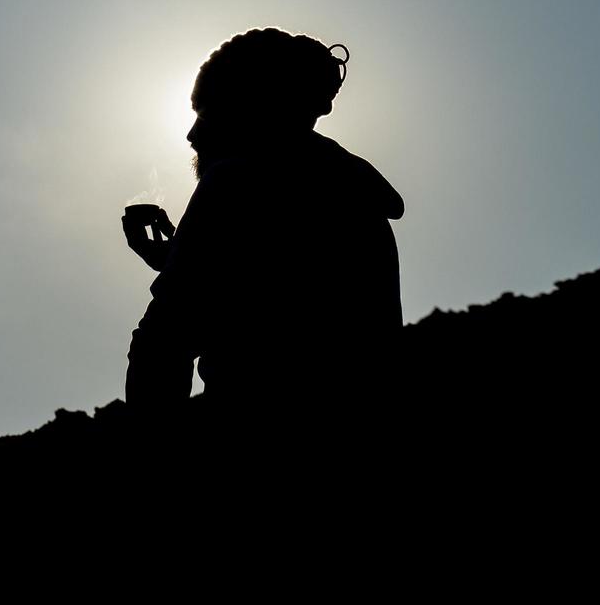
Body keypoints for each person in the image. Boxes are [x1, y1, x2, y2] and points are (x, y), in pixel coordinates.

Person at [122, 27, 404, 409]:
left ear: (252, 108)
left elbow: (164, 342)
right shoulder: (361, 202)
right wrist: (177, 261)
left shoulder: (234, 183)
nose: (191, 134)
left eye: (206, 113)